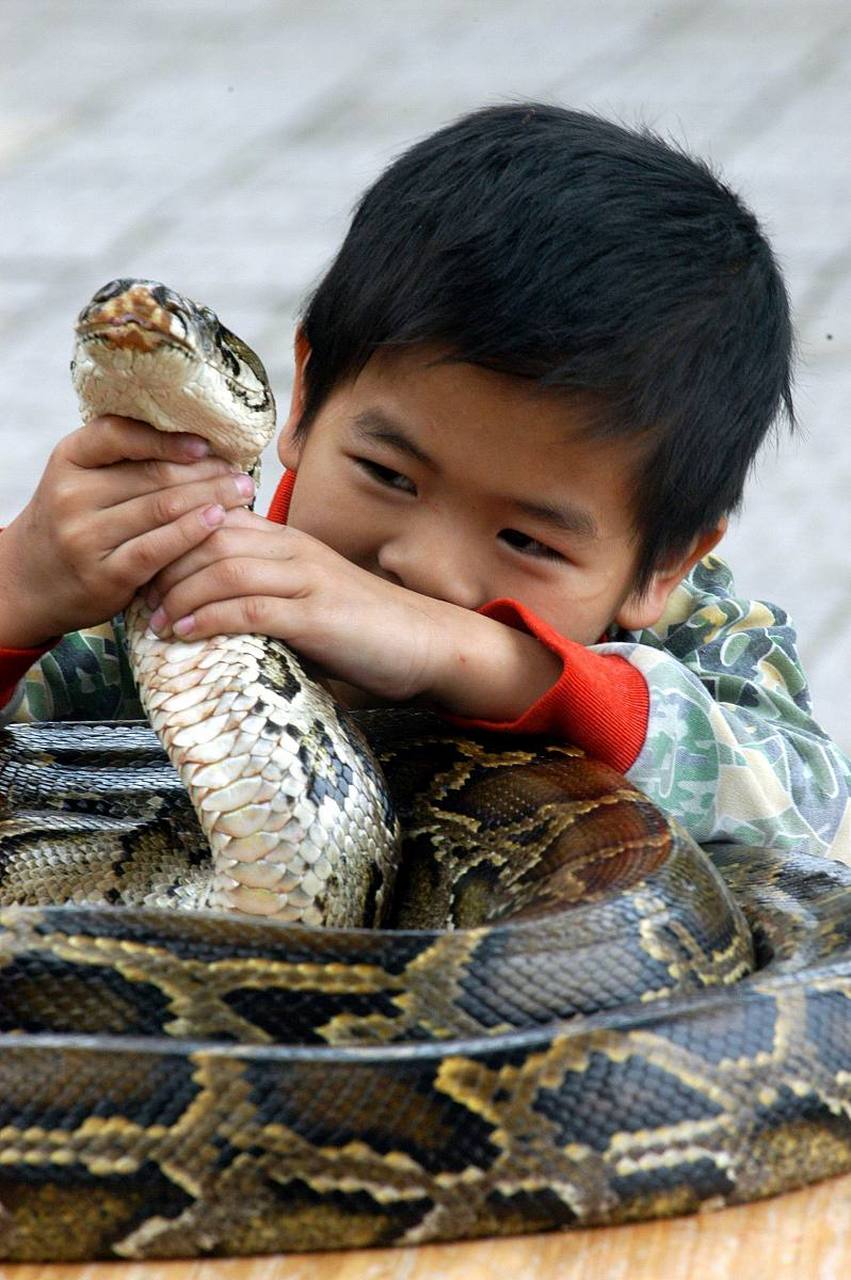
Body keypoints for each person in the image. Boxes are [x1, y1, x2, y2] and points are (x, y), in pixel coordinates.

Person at [1, 104, 848, 860]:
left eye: (527, 539)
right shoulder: (171, 598)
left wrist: (479, 657)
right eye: (386, 474)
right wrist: (24, 584)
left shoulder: (690, 633)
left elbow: (812, 808)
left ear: (661, 565)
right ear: (305, 400)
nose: (424, 571)